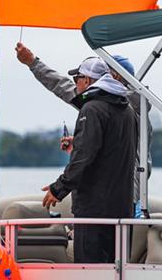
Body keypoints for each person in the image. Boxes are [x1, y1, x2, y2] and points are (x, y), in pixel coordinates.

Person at [15, 42, 151, 217]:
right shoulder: (130, 107)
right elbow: (115, 146)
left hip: (109, 196)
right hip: (124, 196)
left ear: (115, 77)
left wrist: (33, 63)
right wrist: (81, 141)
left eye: (103, 73)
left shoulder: (107, 102)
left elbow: (61, 86)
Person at [40, 56, 137, 263]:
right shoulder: (127, 110)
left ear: (88, 80)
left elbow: (83, 157)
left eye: (77, 78)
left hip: (94, 210)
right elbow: (113, 150)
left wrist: (58, 189)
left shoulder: (92, 108)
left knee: (90, 272)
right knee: (117, 272)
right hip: (122, 209)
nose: (75, 84)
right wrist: (80, 143)